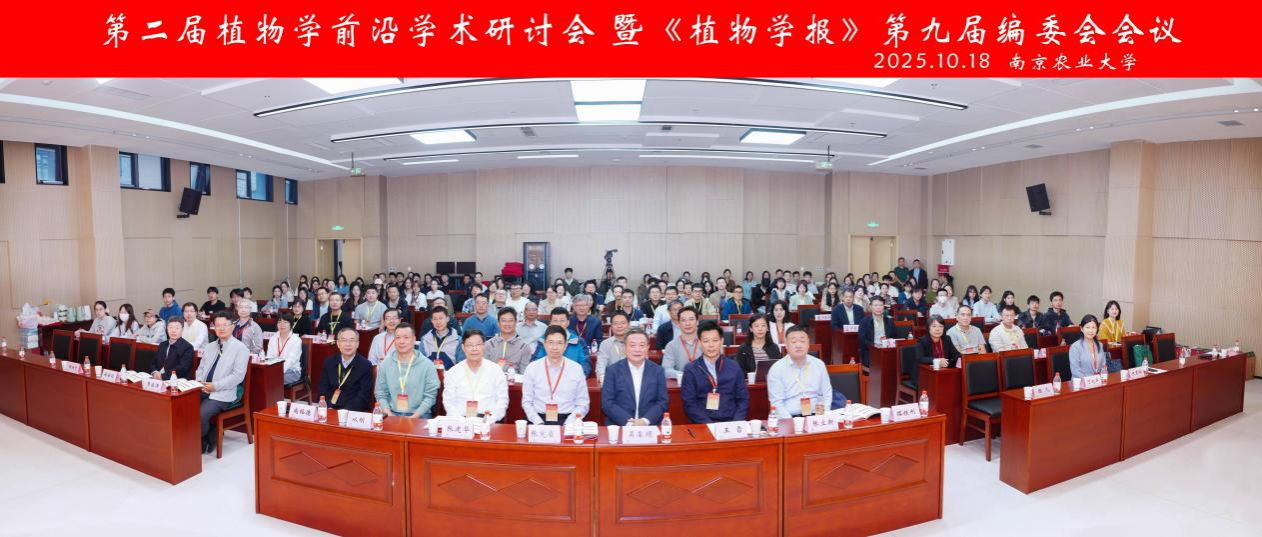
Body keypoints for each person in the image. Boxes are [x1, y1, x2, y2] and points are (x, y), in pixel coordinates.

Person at [195, 312, 249, 454]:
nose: (221, 328)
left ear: (232, 326)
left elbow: (237, 376)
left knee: (200, 414)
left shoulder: (240, 348)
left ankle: (204, 437)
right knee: (183, 406)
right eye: (217, 325)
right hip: (203, 388)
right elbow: (200, 368)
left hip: (223, 392)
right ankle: (208, 432)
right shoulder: (210, 346)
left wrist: (215, 386)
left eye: (224, 325)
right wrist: (200, 382)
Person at [680, 321, 749, 424]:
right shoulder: (691, 369)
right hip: (703, 424)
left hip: (730, 422)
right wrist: (709, 425)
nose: (711, 345)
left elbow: (743, 399)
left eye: (715, 340)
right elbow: (689, 403)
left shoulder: (734, 367)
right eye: (706, 341)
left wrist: (735, 423)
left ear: (722, 341)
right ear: (699, 343)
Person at [522, 325, 591, 425]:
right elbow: (527, 402)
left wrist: (569, 423)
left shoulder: (576, 369)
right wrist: (538, 423)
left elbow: (583, 404)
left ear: (565, 345)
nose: (555, 347)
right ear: (544, 344)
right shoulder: (532, 368)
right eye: (551, 342)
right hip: (538, 419)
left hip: (567, 419)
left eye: (559, 343)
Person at [600, 328, 668, 426]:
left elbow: (662, 402)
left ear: (648, 347)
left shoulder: (658, 371)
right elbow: (607, 403)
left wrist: (645, 421)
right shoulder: (612, 371)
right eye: (632, 345)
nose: (637, 349)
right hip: (620, 425)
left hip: (649, 425)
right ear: (624, 348)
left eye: (642, 345)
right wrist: (629, 423)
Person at [375, 323, 441, 418]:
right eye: (398, 337)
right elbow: (381, 393)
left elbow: (430, 396)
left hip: (420, 415)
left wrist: (414, 417)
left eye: (406, 337)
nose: (401, 341)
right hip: (391, 413)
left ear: (414, 339)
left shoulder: (427, 365)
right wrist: (389, 414)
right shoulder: (385, 364)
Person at [442, 330, 510, 422]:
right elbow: (448, 402)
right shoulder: (453, 372)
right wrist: (460, 421)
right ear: (463, 347)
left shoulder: (496, 370)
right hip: (461, 420)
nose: (474, 349)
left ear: (484, 346)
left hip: (489, 420)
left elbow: (502, 401)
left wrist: (491, 419)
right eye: (470, 345)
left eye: (478, 344)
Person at [768, 326, 835, 418]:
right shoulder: (776, 369)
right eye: (793, 342)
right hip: (789, 416)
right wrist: (791, 422)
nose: (798, 345)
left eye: (802, 341)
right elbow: (776, 403)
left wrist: (823, 416)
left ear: (808, 344)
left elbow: (827, 393)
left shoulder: (819, 364)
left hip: (816, 415)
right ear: (786, 345)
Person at [317, 327, 375, 412]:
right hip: (330, 408)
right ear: (338, 344)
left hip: (353, 411)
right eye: (344, 340)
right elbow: (322, 389)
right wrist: (329, 407)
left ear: (357, 344)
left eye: (351, 340)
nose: (348, 344)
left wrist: (345, 411)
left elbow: (363, 396)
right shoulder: (329, 362)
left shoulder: (365, 365)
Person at [530, 308, 592, 376]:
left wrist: (575, 378)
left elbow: (585, 365)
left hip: (572, 379)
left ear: (567, 323)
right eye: (555, 321)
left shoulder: (578, 341)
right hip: (547, 378)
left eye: (562, 320)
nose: (558, 324)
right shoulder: (543, 340)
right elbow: (535, 363)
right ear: (550, 323)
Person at [486, 308, 533, 375]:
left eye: (510, 320)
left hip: (515, 380)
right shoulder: (489, 344)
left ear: (516, 323)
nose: (507, 324)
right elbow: (484, 370)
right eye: (504, 321)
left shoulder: (524, 347)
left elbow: (524, 374)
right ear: (498, 323)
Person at [660, 306, 701, 380]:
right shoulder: (671, 345)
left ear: (697, 322)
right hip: (682, 383)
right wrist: (685, 375)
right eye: (683, 320)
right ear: (678, 323)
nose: (687, 323)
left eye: (691, 319)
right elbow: (666, 370)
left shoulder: (707, 342)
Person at [264, 313, 304, 386]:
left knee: (272, 378)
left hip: (292, 371)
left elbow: (290, 360)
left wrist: (277, 372)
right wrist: (271, 370)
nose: (282, 325)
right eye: (279, 322)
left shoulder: (296, 340)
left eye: (285, 322)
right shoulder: (273, 338)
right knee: (262, 377)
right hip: (274, 369)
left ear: (291, 324)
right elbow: (269, 357)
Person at [858, 296, 897, 367]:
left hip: (887, 351)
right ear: (871, 306)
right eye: (875, 305)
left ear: (884, 306)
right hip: (871, 352)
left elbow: (895, 336)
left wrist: (889, 341)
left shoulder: (889, 321)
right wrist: (876, 346)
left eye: (880, 305)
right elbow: (862, 340)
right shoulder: (864, 322)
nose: (878, 308)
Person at [595, 311, 632, 383]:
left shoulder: (635, 342)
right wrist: (602, 377)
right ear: (611, 326)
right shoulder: (605, 344)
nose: (619, 326)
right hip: (612, 381)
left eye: (622, 323)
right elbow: (601, 365)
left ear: (628, 324)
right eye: (616, 323)